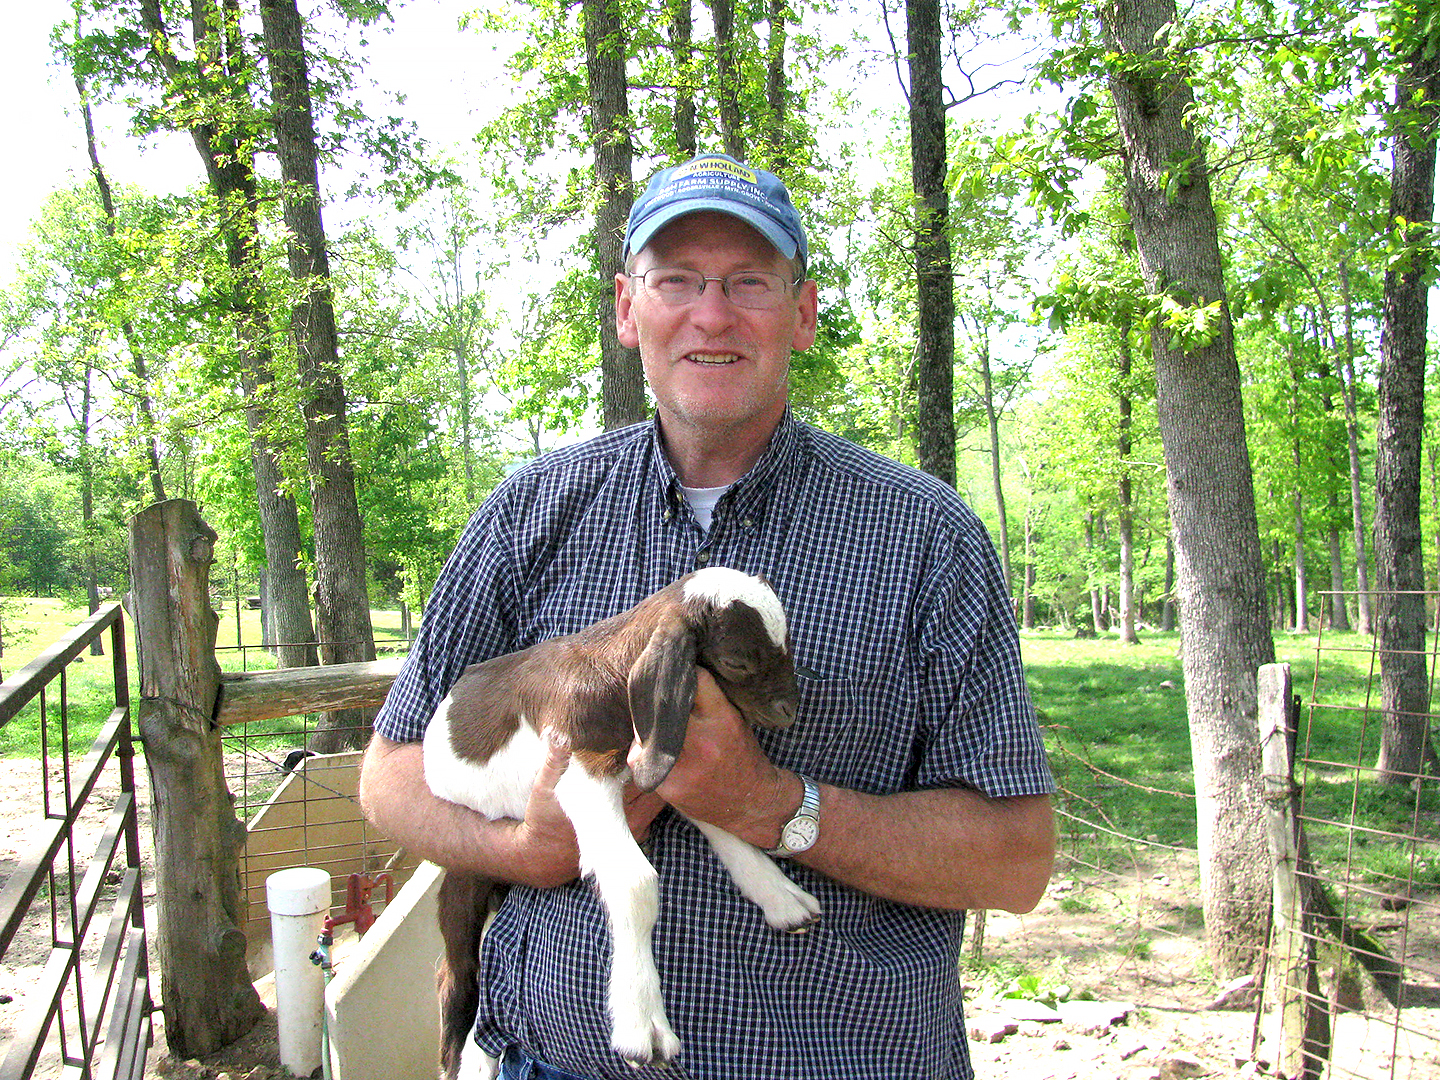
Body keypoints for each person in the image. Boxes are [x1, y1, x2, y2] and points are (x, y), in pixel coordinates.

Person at [359, 152, 1056, 1080]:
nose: (712, 314)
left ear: (801, 314)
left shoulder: (924, 536)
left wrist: (775, 807)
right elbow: (388, 775)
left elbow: (1016, 861)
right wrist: (523, 851)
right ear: (625, 308)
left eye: (749, 282)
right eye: (676, 280)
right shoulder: (528, 514)